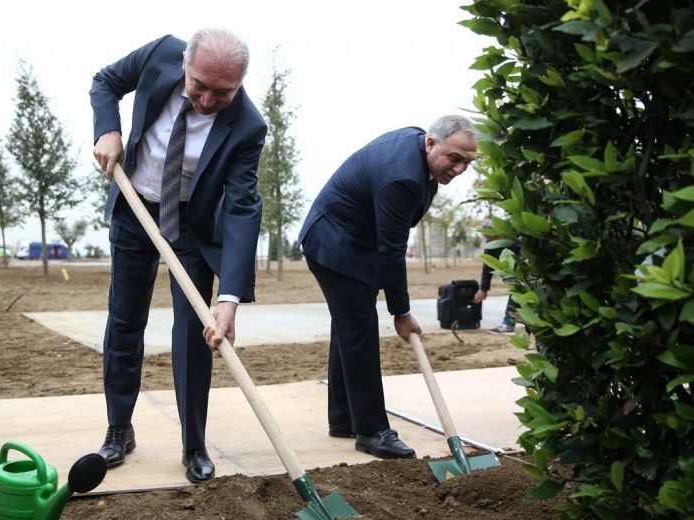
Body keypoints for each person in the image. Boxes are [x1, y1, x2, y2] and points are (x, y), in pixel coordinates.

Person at [90, 28, 267, 484]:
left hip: (191, 222)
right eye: (199, 86)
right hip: (135, 205)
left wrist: (229, 296)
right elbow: (105, 81)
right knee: (125, 320)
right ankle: (118, 429)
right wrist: (108, 130)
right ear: (185, 64)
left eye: (223, 92)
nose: (207, 100)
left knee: (194, 329)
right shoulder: (159, 53)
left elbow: (244, 205)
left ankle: (194, 444)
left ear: (241, 84)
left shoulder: (249, 126)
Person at [298, 115, 477, 459]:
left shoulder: (415, 149)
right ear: (430, 143)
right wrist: (401, 312)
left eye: (467, 162)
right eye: (454, 158)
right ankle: (371, 430)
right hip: (335, 245)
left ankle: (344, 417)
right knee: (360, 329)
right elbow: (392, 250)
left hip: (351, 242)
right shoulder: (403, 179)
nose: (458, 169)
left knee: (350, 327)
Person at [472, 227, 520, 335]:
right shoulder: (490, 246)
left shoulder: (513, 240)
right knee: (516, 293)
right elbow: (487, 268)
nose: (489, 239)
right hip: (511, 275)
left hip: (525, 272)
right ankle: (508, 324)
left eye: (490, 236)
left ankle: (508, 325)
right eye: (487, 237)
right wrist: (483, 289)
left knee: (518, 293)